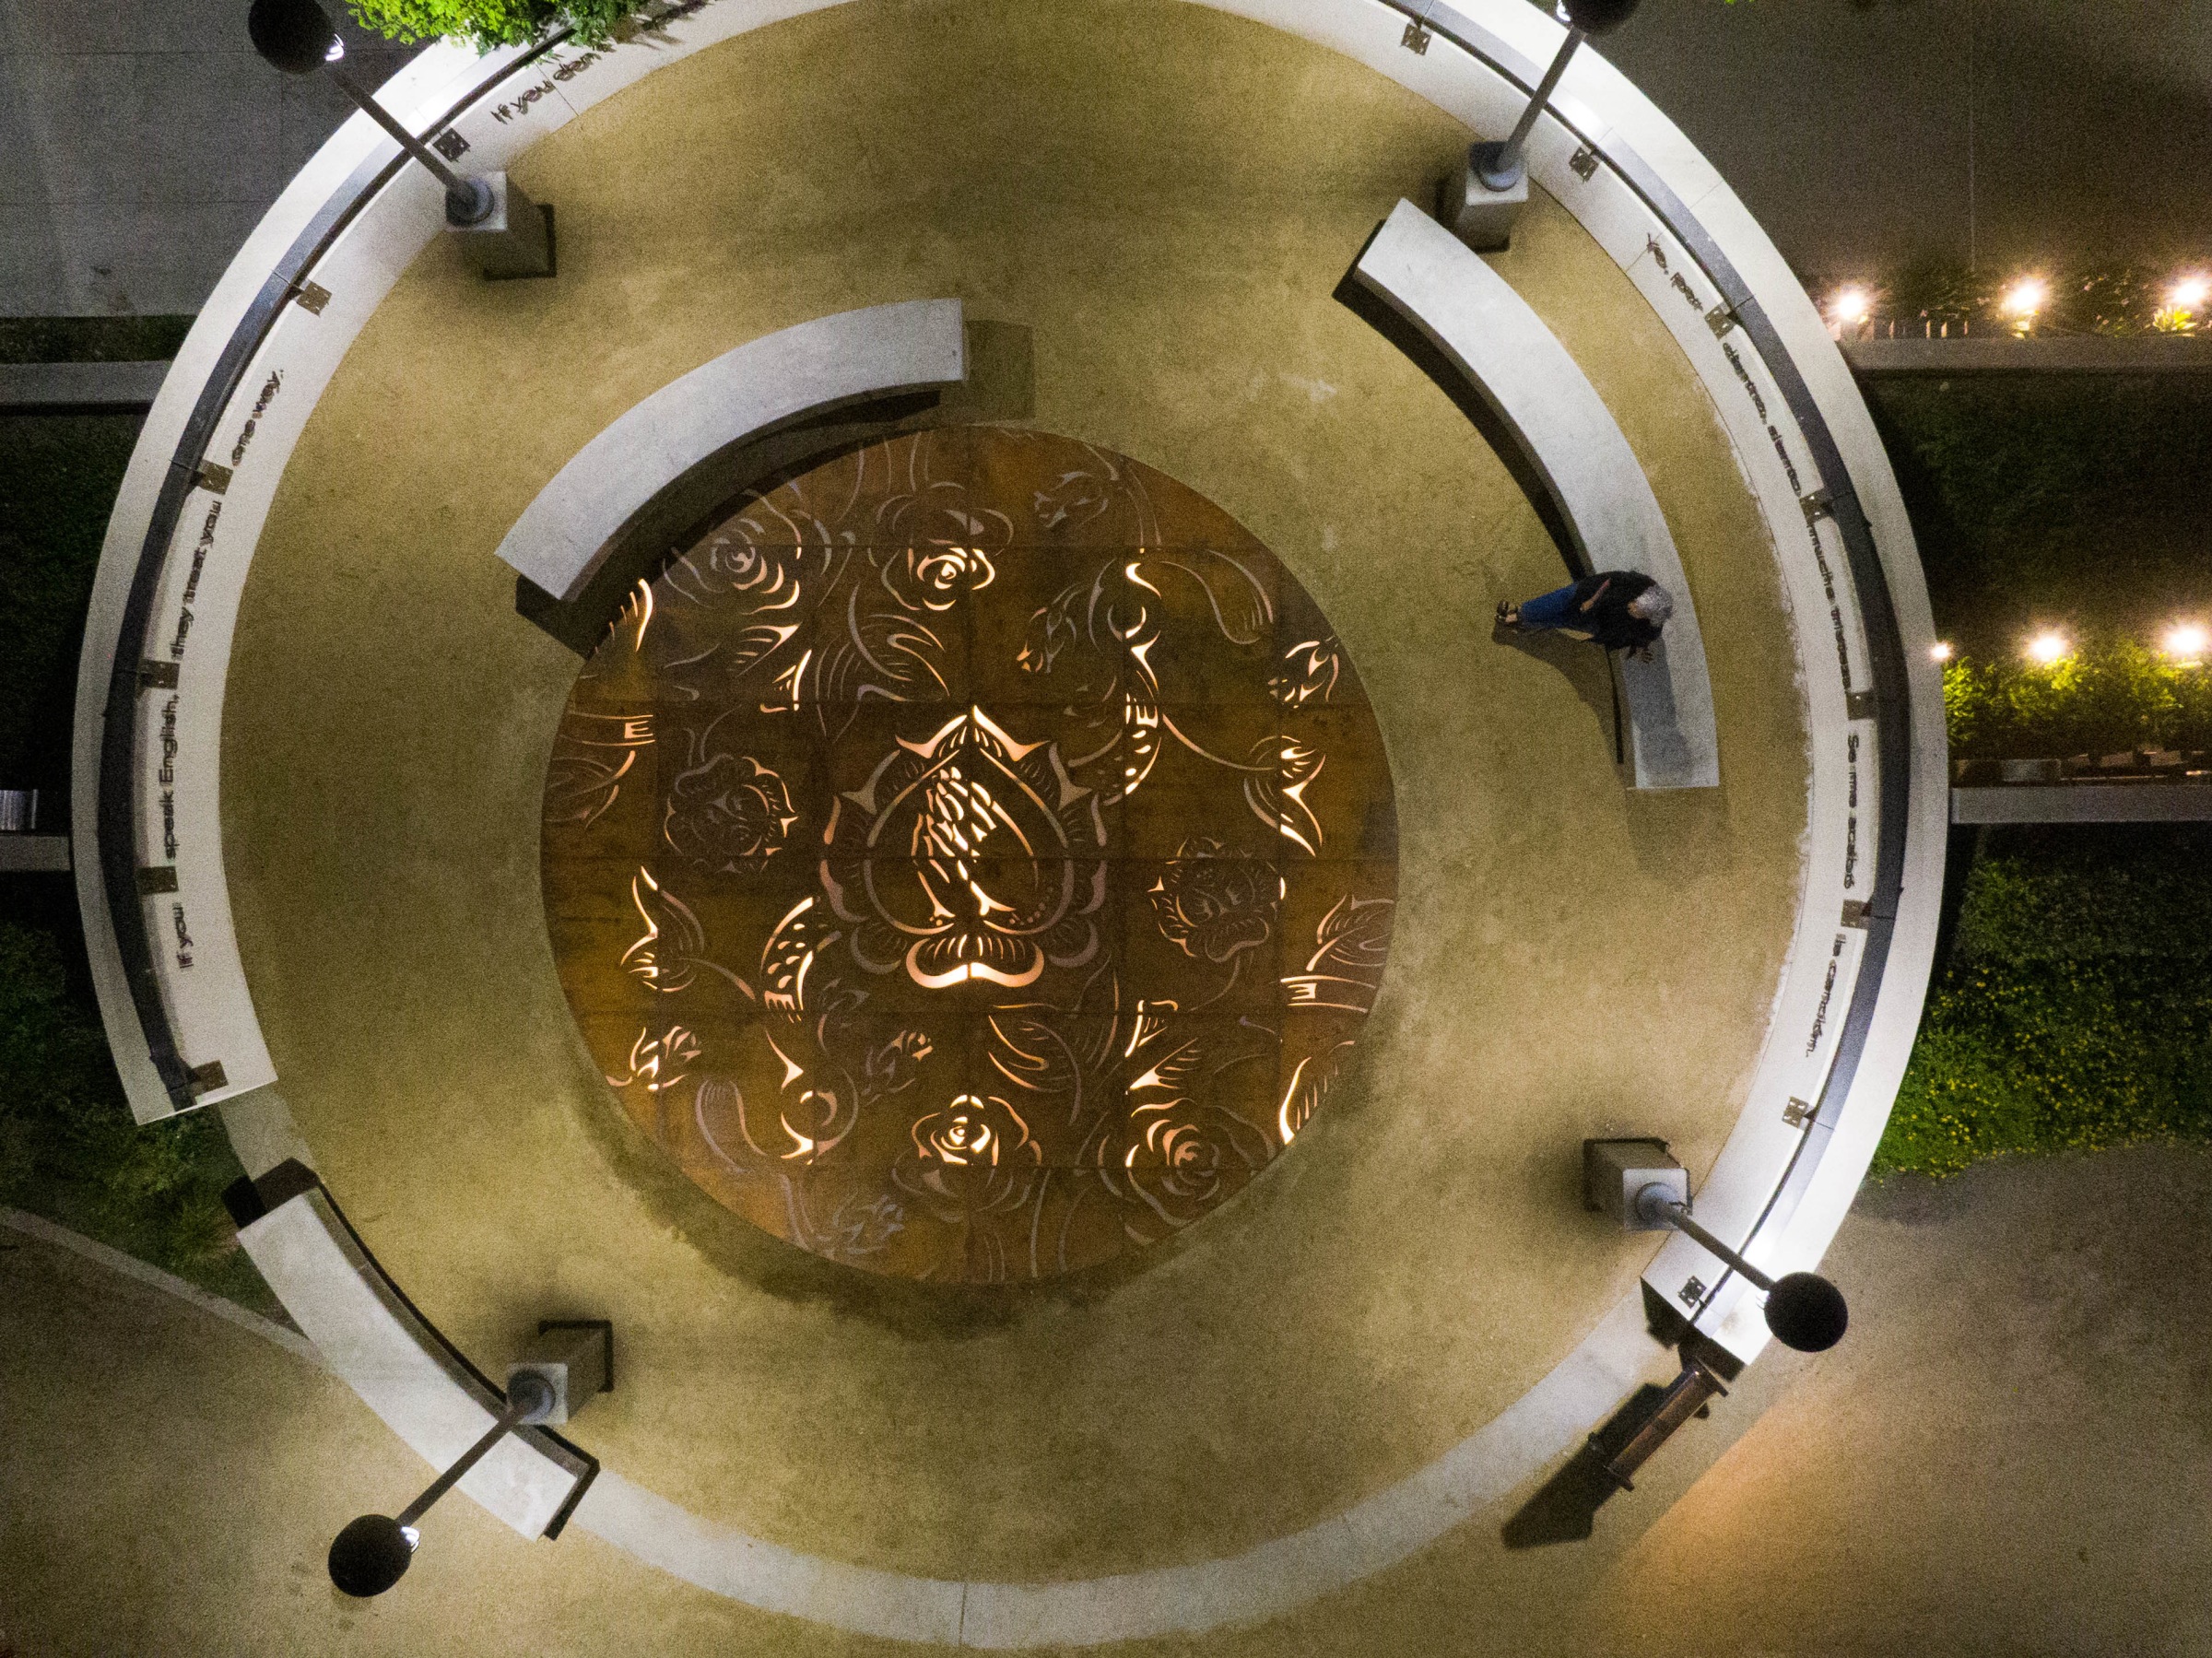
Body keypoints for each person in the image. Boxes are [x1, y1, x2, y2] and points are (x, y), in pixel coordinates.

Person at [1498, 570, 1673, 659]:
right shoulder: (1641, 584)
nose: (1632, 607)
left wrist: (1642, 651)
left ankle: (1527, 621)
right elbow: (1611, 580)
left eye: (1638, 611)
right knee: (1560, 600)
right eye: (1636, 602)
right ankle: (1521, 614)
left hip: (1599, 622)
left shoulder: (1651, 628)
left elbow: (1642, 640)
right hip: (1591, 594)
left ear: (1648, 617)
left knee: (1564, 619)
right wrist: (1592, 600)